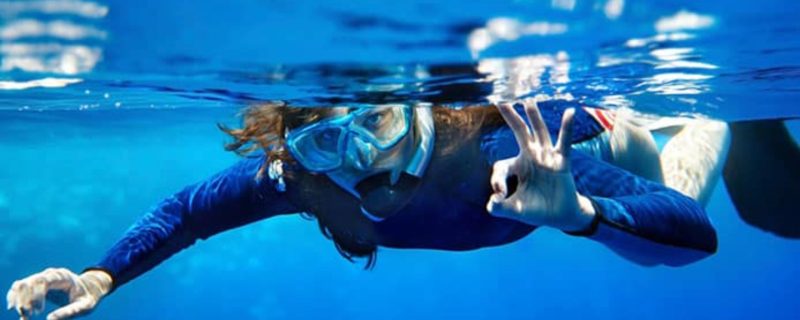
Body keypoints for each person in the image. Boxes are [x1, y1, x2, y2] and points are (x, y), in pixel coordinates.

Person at [6, 98, 722, 320]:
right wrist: (101, 276)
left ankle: (710, 118)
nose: (356, 158)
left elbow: (694, 238)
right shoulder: (302, 181)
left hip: (604, 135)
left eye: (374, 124)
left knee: (679, 187)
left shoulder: (498, 152)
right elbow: (188, 212)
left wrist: (586, 214)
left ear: (414, 108)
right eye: (323, 143)